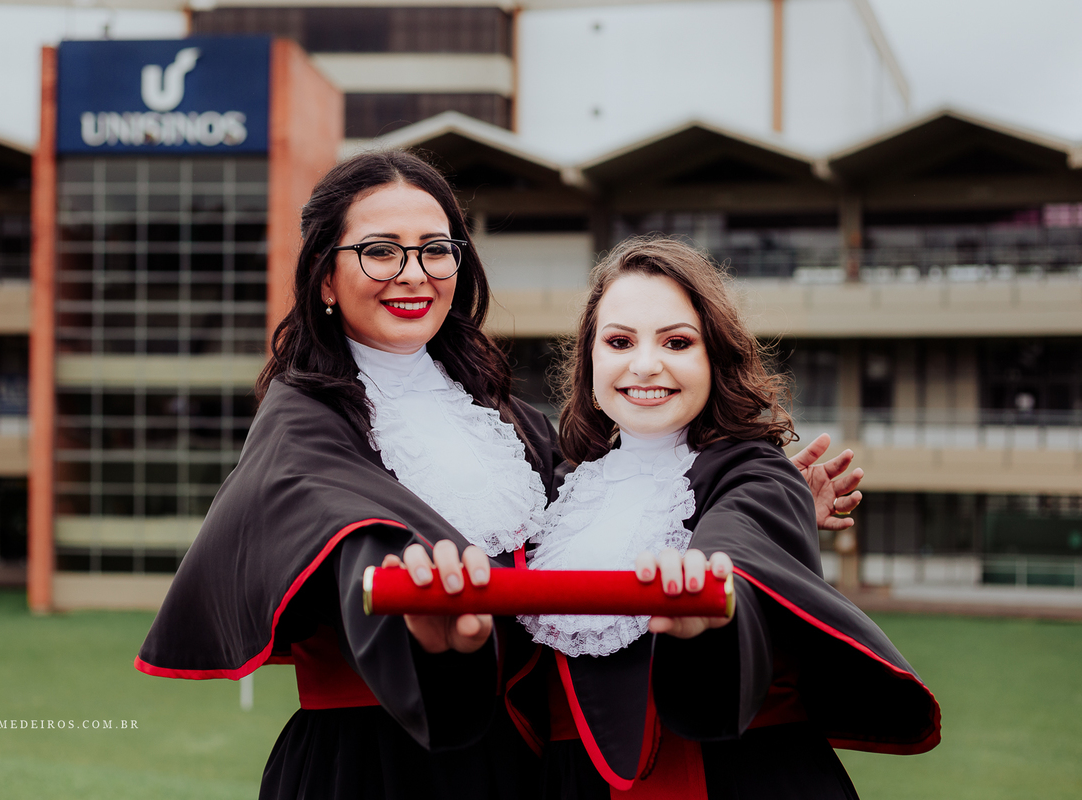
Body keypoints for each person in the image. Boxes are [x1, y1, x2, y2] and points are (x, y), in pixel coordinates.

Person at [134, 151, 867, 800]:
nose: (413, 274)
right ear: (325, 275)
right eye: (380, 252)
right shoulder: (302, 425)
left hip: (522, 763)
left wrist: (760, 513)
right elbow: (350, 529)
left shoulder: (511, 420)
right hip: (376, 765)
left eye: (435, 250)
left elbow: (594, 524)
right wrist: (423, 615)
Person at [492, 236, 939, 798]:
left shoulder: (758, 472)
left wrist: (704, 590)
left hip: (736, 776)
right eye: (619, 341)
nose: (646, 364)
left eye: (677, 342)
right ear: (589, 358)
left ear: (714, 357)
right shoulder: (559, 492)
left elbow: (740, 540)